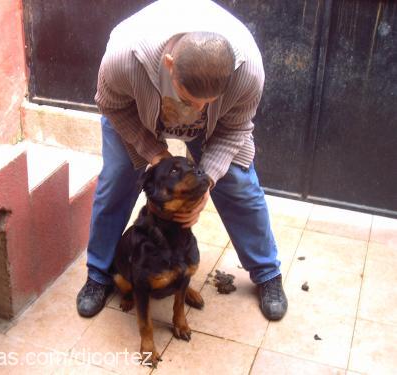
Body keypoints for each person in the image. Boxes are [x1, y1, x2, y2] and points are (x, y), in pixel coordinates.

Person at [76, 0, 288, 321]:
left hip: (218, 129)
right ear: (170, 64)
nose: (200, 109)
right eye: (191, 100)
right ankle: (100, 273)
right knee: (117, 179)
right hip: (136, 112)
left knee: (240, 184)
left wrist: (209, 182)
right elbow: (112, 105)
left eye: (209, 102)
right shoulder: (124, 58)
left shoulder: (247, 72)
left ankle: (267, 273)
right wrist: (155, 153)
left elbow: (235, 129)